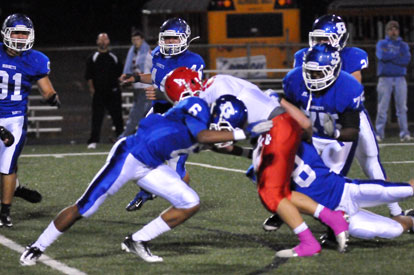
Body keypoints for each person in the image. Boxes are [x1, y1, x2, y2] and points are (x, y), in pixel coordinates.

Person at [19, 96, 272, 265]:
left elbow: (216, 144)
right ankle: (38, 246)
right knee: (86, 206)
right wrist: (245, 132)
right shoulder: (198, 107)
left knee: (189, 201)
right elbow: (205, 136)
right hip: (130, 155)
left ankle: (137, 240)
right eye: (226, 127)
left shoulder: (211, 130)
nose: (225, 132)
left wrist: (249, 153)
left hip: (151, 165)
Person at [157, 67, 350, 258]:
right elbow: (228, 142)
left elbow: (228, 128)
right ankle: (332, 219)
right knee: (276, 191)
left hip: (276, 128)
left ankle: (310, 241)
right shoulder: (215, 86)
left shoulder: (215, 92)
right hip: (272, 130)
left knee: (272, 194)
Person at [263, 15, 405, 231]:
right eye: (317, 39)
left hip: (346, 115)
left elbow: (351, 87)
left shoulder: (351, 58)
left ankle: (397, 213)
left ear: (339, 38)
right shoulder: (304, 56)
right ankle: (284, 210)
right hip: (312, 114)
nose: (320, 44)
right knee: (298, 164)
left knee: (370, 160)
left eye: (325, 39)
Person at [123, 18, 205, 210]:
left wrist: (160, 92)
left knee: (175, 163)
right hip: (158, 110)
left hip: (181, 114)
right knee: (140, 153)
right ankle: (155, 192)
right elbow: (154, 78)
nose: (169, 43)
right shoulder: (158, 54)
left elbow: (191, 94)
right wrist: (135, 78)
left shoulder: (194, 62)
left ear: (184, 39)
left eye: (174, 39)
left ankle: (174, 201)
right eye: (166, 39)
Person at [0, 14, 60, 227]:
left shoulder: (35, 59)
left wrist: (52, 97)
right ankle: (16, 188)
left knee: (7, 164)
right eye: (15, 32)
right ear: (6, 33)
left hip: (14, 119)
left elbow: (46, 88)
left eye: (23, 33)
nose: (19, 37)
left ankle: (4, 212)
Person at [375, 20, 412, 142]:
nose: (393, 31)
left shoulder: (403, 45)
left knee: (402, 108)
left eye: (395, 29)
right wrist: (397, 55)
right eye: (391, 29)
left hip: (400, 78)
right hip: (385, 78)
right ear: (387, 31)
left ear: (398, 31)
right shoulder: (382, 44)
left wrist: (391, 57)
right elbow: (382, 57)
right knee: (382, 108)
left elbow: (405, 60)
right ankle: (379, 133)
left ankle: (404, 133)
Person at [85, 33, 124, 149]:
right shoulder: (92, 57)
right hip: (99, 93)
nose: (103, 41)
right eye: (101, 39)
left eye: (105, 39)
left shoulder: (114, 56)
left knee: (117, 117)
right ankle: (93, 140)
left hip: (113, 92)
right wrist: (92, 89)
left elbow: (120, 74)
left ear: (108, 41)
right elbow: (89, 76)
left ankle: (120, 139)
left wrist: (120, 87)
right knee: (96, 117)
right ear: (97, 42)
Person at [118, 30, 152, 138]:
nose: (135, 42)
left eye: (137, 39)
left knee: (135, 114)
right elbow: (130, 68)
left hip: (146, 88)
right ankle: (143, 137)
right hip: (137, 88)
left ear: (142, 40)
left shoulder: (148, 53)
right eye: (134, 40)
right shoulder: (133, 53)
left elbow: (152, 70)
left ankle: (124, 137)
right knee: (145, 115)